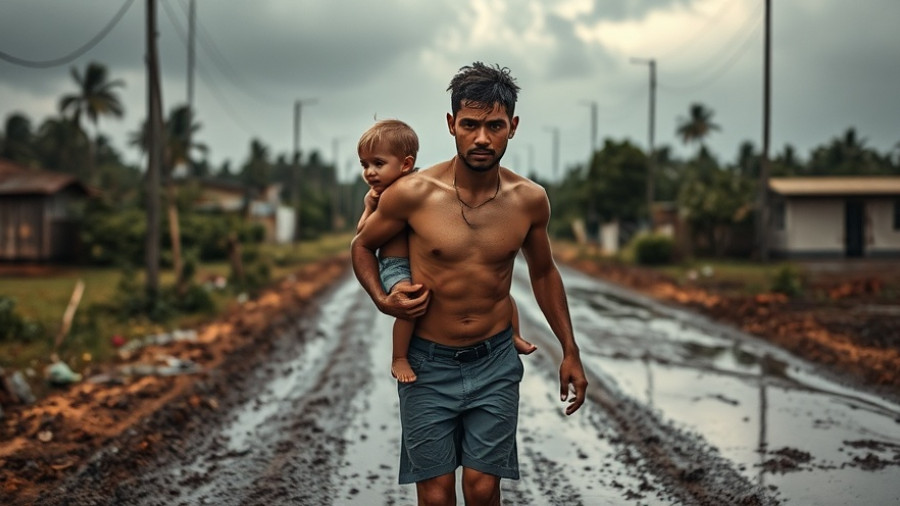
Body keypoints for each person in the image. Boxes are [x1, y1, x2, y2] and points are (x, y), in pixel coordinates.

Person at [351, 62, 588, 505]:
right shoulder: (413, 194)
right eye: (470, 125)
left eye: (494, 126)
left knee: (482, 489)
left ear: (512, 127)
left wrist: (569, 350)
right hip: (426, 364)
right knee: (437, 496)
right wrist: (384, 301)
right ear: (451, 125)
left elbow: (543, 272)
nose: (482, 138)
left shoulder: (529, 201)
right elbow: (362, 246)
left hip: (494, 361)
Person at [356, 119, 537, 383]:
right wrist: (369, 207)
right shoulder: (377, 196)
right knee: (411, 301)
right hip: (397, 263)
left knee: (497, 290)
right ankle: (399, 357)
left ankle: (513, 335)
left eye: (378, 164)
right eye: (365, 165)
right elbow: (363, 236)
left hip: (419, 258)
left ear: (405, 164)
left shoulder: (420, 186)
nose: (370, 172)